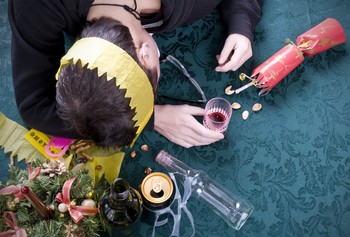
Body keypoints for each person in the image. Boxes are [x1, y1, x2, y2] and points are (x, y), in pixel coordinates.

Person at [8, 0, 263, 148]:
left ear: (146, 54)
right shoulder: (35, 5)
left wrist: (242, 21)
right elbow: (34, 107)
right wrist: (152, 118)